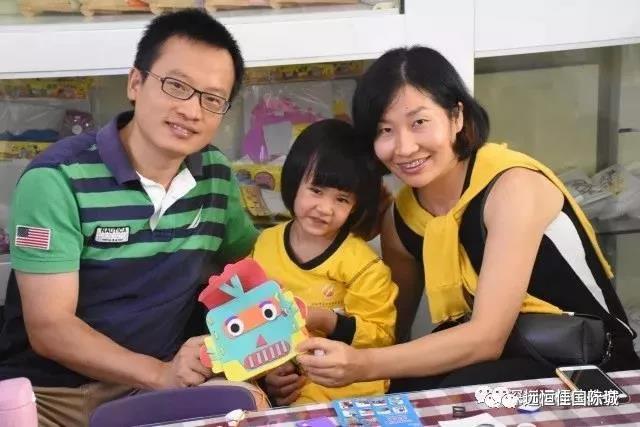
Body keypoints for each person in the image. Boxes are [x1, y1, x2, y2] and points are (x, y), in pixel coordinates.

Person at [276, 46, 640, 396]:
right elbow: (389, 335)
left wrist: (362, 365)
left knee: (461, 396)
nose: (404, 147)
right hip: (500, 364)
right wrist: (299, 365)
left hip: (593, 373)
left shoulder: (512, 187)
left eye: (419, 122)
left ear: (456, 117)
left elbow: (485, 338)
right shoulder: (401, 220)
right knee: (400, 394)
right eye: (385, 130)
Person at [0, 9, 261, 426]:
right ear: (135, 83)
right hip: (49, 397)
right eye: (177, 86)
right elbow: (50, 328)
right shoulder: (57, 180)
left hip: (152, 390)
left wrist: (272, 347)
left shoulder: (215, 177)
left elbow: (248, 268)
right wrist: (161, 374)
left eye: (212, 99)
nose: (192, 111)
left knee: (253, 403)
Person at [252, 119, 397, 404]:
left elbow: (380, 336)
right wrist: (269, 374)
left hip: (346, 388)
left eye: (342, 199)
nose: (325, 209)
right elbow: (248, 320)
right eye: (316, 191)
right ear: (295, 181)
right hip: (285, 384)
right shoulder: (265, 244)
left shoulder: (363, 265)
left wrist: (325, 319)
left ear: (356, 206)